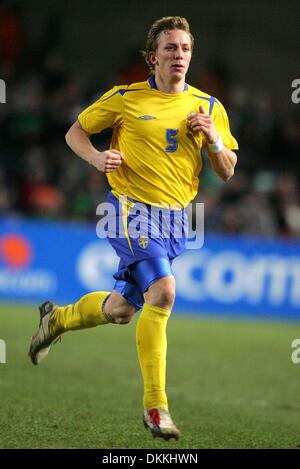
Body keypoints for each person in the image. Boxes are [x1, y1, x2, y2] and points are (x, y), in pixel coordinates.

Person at [28, 16, 238, 441]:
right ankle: (156, 407)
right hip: (128, 210)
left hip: (177, 221)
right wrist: (97, 158)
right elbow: (75, 133)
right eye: (170, 48)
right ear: (152, 57)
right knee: (164, 291)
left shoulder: (209, 107)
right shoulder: (125, 98)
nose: (178, 55)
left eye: (185, 48)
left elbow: (228, 170)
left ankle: (57, 320)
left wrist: (214, 139)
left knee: (124, 311)